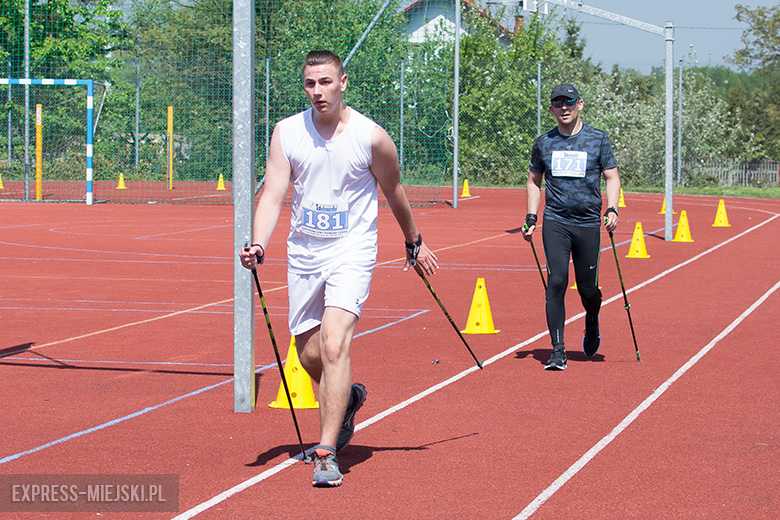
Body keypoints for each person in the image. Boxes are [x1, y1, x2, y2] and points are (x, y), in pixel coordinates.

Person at [239, 50, 438, 487]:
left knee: (334, 346)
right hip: (304, 254)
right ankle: (346, 400)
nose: (317, 91)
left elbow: (394, 191)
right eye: (310, 84)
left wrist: (413, 241)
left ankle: (327, 452)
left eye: (325, 82)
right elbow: (272, 194)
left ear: (343, 82)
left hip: (352, 249)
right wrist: (258, 243)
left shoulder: (371, 137)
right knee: (309, 352)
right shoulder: (288, 132)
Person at [522, 83, 621, 371]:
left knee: (588, 289)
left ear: (580, 104)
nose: (563, 108)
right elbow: (533, 181)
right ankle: (558, 349)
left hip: (588, 222)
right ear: (551, 108)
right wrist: (531, 216)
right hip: (556, 221)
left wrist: (612, 208)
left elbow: (612, 178)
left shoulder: (598, 140)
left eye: (568, 102)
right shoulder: (544, 143)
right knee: (556, 282)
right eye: (557, 103)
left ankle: (592, 319)